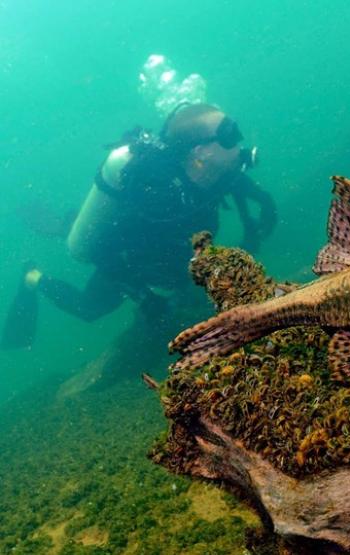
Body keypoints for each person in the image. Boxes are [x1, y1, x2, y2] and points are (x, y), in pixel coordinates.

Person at [2, 103, 276, 386]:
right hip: (125, 259)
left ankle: (67, 224)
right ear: (200, 151)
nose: (240, 142)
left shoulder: (215, 171)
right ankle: (32, 277)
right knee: (90, 309)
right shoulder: (155, 192)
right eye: (230, 136)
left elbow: (243, 189)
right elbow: (105, 250)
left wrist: (263, 208)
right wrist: (143, 296)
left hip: (167, 258)